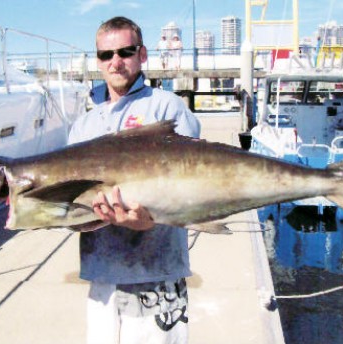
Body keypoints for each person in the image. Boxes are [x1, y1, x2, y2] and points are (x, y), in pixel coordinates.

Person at [68, 16, 200, 344]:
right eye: (105, 55)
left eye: (125, 52)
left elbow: (193, 189)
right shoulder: (83, 126)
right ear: (97, 60)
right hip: (102, 277)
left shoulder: (167, 108)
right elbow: (72, 202)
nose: (115, 61)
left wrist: (149, 222)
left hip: (157, 277)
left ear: (142, 55)